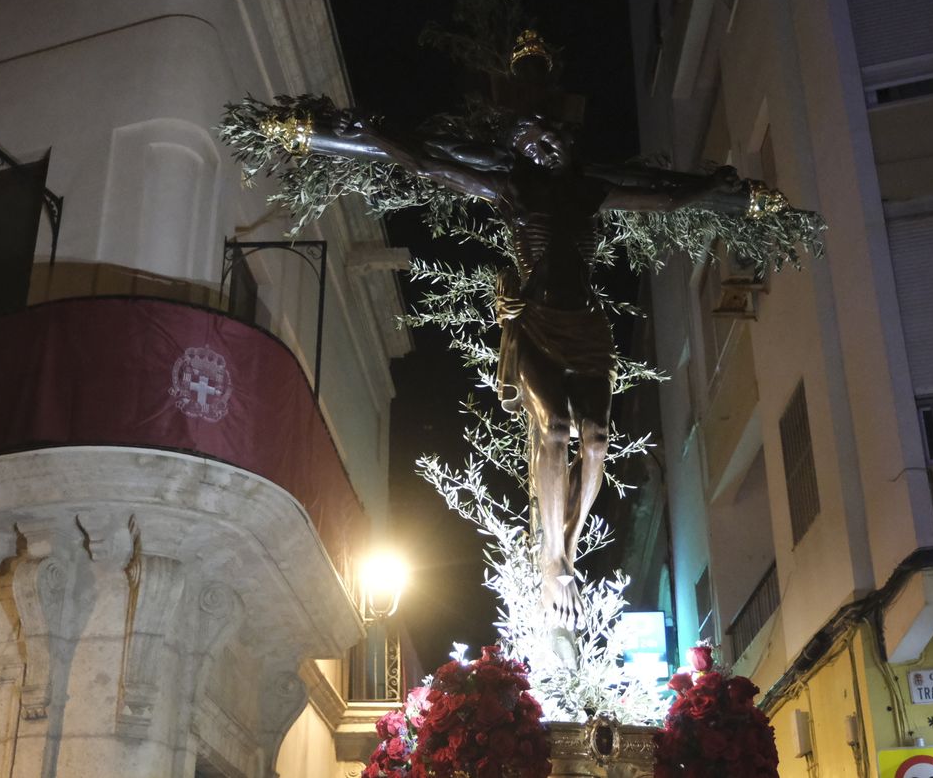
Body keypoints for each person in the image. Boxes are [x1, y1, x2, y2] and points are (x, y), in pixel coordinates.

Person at [315, 112, 780, 627]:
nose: (549, 148)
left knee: (598, 438)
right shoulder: (512, 188)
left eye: (554, 137)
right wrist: (378, 136)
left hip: (587, 327)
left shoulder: (590, 191)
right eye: (536, 143)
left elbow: (665, 199)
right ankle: (552, 560)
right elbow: (432, 165)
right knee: (556, 426)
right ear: (523, 153)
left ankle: (569, 545)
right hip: (536, 322)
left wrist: (712, 186)